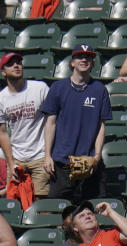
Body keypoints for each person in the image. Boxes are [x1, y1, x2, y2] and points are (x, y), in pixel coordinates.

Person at [41, 45, 111, 201]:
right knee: (58, 207)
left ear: (93, 64)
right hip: (62, 160)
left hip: (90, 160)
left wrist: (97, 156)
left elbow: (101, 126)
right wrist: (47, 155)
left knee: (94, 205)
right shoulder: (58, 88)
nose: (84, 60)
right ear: (72, 62)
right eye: (80, 56)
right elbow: (50, 123)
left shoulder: (100, 90)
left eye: (88, 57)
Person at [0, 52, 50, 200]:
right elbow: (2, 133)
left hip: (40, 156)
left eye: (18, 62)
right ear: (3, 72)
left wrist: (49, 154)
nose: (16, 66)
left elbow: (52, 120)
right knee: (13, 200)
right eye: (10, 64)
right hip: (17, 158)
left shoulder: (40, 88)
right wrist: (11, 163)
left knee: (40, 204)